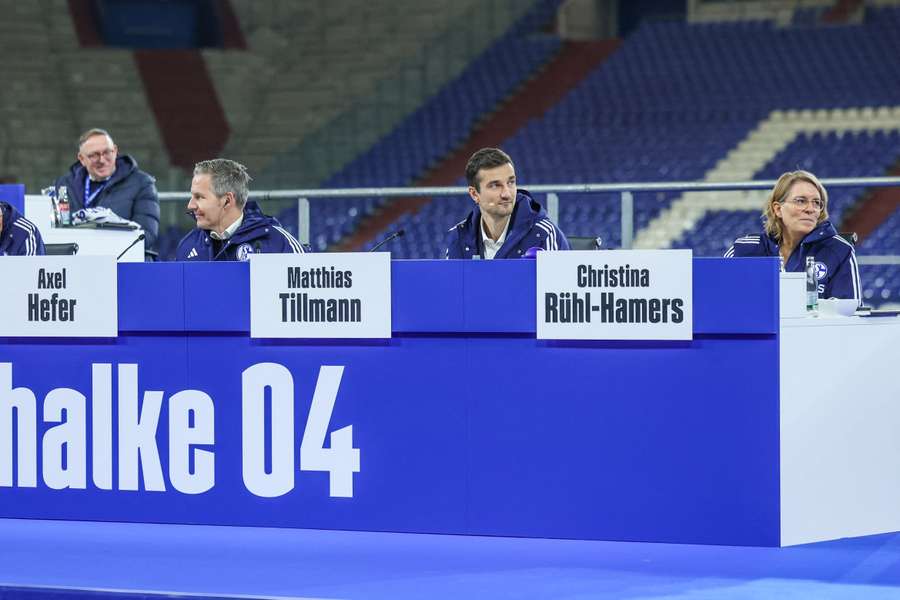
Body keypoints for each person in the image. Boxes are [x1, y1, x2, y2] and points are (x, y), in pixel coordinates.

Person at [725, 170, 861, 302]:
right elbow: (717, 299)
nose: (810, 209)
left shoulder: (839, 250)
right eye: (801, 201)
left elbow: (850, 313)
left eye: (816, 202)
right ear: (778, 209)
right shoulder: (743, 250)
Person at [54, 128, 160, 260]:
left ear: (115, 151)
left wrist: (99, 249)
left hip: (123, 263)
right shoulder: (64, 184)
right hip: (78, 263)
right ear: (81, 158)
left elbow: (146, 235)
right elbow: (56, 230)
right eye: (94, 155)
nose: (102, 160)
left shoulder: (142, 183)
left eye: (107, 152)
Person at [445, 147, 569, 259]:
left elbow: (562, 283)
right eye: (495, 185)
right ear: (474, 194)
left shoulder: (543, 234)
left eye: (511, 182)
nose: (507, 194)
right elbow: (451, 284)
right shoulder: (458, 237)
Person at [176, 158, 305, 261]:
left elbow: (310, 287)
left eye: (199, 197)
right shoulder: (188, 245)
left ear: (227, 200)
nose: (190, 205)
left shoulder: (277, 242)